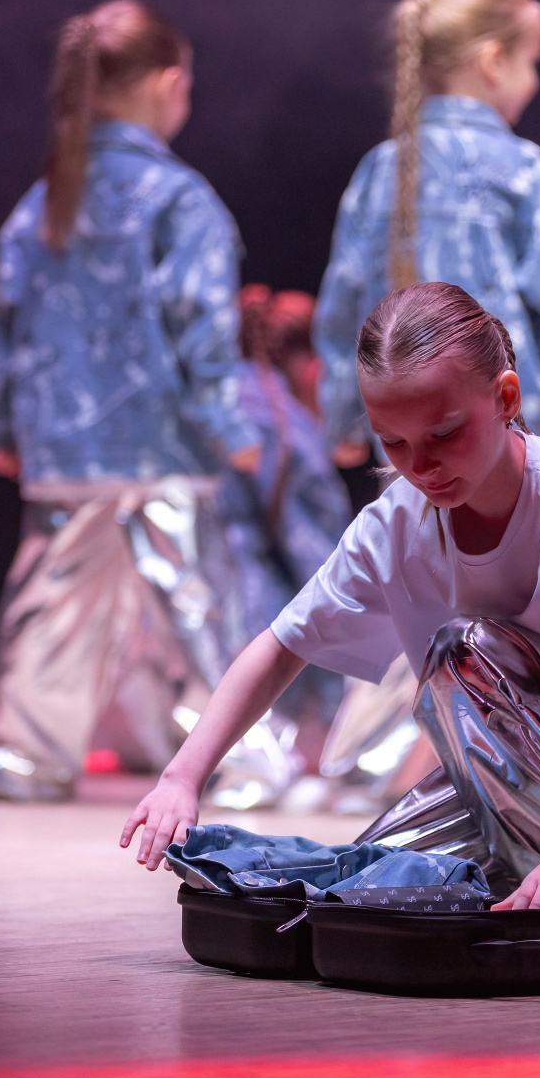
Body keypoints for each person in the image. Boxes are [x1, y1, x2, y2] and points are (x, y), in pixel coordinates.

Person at [124, 283, 540, 962]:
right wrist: (181, 778)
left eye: (444, 434)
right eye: (393, 442)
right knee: (376, 883)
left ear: (506, 398)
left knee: (467, 652)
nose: (421, 466)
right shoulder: (396, 521)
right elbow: (282, 647)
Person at [0, 0, 258, 802]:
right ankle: (237, 761)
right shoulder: (177, 199)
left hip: (61, 448)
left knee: (54, 608)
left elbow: (1, 320)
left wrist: (0, 424)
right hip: (160, 443)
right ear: (167, 84)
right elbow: (200, 320)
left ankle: (26, 759)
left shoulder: (42, 201)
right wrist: (227, 422)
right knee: (194, 605)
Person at [315, 0, 540, 466]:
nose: (535, 80)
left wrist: (345, 418)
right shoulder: (522, 170)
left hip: (409, 451)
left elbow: (343, 311)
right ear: (494, 61)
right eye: (531, 62)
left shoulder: (379, 171)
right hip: (512, 446)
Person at [207, 286, 352, 808]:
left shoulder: (225, 397)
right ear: (314, 367)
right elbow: (320, 562)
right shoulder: (283, 421)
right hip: (244, 594)